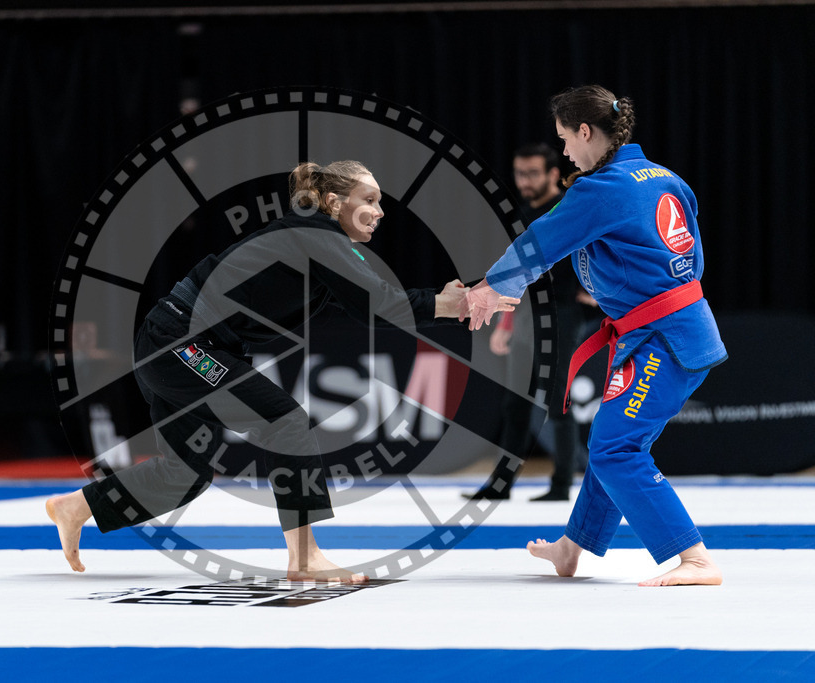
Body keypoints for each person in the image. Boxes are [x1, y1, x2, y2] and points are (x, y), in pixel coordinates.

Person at [47, 160, 517, 583]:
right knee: (285, 421)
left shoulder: (317, 241)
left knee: (183, 476)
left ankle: (77, 506)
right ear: (335, 202)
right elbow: (382, 305)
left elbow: (368, 306)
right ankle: (305, 558)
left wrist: (452, 304)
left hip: (172, 342)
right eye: (369, 200)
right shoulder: (317, 237)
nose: (380, 211)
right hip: (178, 345)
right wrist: (451, 303)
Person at [465, 85, 726, 587]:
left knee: (615, 449)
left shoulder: (601, 188)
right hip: (680, 327)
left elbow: (538, 245)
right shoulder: (665, 177)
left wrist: (487, 290)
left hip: (662, 337)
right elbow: (687, 251)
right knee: (614, 437)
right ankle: (573, 546)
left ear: (586, 132)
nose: (564, 152)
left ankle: (695, 558)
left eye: (565, 139)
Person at [463, 143, 590, 502]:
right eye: (520, 173)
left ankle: (563, 484)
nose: (525, 180)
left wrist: (596, 288)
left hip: (562, 314)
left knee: (555, 401)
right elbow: (516, 275)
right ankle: (500, 484)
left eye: (533, 173)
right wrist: (504, 324)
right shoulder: (520, 213)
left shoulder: (569, 207)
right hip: (523, 316)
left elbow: (598, 245)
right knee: (515, 403)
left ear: (553, 173)